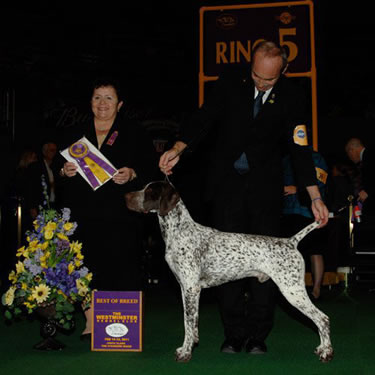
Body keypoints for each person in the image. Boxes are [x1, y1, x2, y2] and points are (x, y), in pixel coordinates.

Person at [159, 41, 329, 355]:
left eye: (268, 80)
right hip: (226, 188)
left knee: (266, 269)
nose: (260, 83)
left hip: (265, 191)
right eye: (256, 75)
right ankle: (233, 334)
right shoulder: (230, 80)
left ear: (284, 70)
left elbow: (299, 148)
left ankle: (257, 336)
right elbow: (204, 116)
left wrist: (314, 196)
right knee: (226, 268)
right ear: (250, 64)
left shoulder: (292, 96)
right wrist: (178, 147)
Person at [59, 77, 158, 339]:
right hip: (83, 212)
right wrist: (64, 171)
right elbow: (61, 176)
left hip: (120, 214)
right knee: (84, 266)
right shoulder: (75, 134)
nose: (102, 103)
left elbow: (151, 170)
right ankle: (90, 321)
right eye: (97, 97)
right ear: (90, 102)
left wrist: (133, 173)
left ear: (120, 104)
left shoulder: (135, 132)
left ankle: (120, 326)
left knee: (121, 265)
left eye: (109, 98)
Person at [282, 151, 329, 300]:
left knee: (315, 250)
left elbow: (322, 180)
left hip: (309, 211)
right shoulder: (285, 158)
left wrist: (297, 188)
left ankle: (316, 291)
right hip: (288, 211)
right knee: (289, 253)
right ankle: (294, 290)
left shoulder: (316, 157)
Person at [25, 141, 59, 220]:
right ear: (44, 152)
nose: (54, 152)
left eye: (55, 150)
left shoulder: (56, 166)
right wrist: (32, 207)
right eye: (51, 150)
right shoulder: (35, 167)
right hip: (40, 205)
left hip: (54, 205)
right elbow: (30, 187)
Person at [345, 138, 375, 217]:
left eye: (349, 154)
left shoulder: (369, 155)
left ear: (351, 150)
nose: (350, 158)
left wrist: (368, 191)